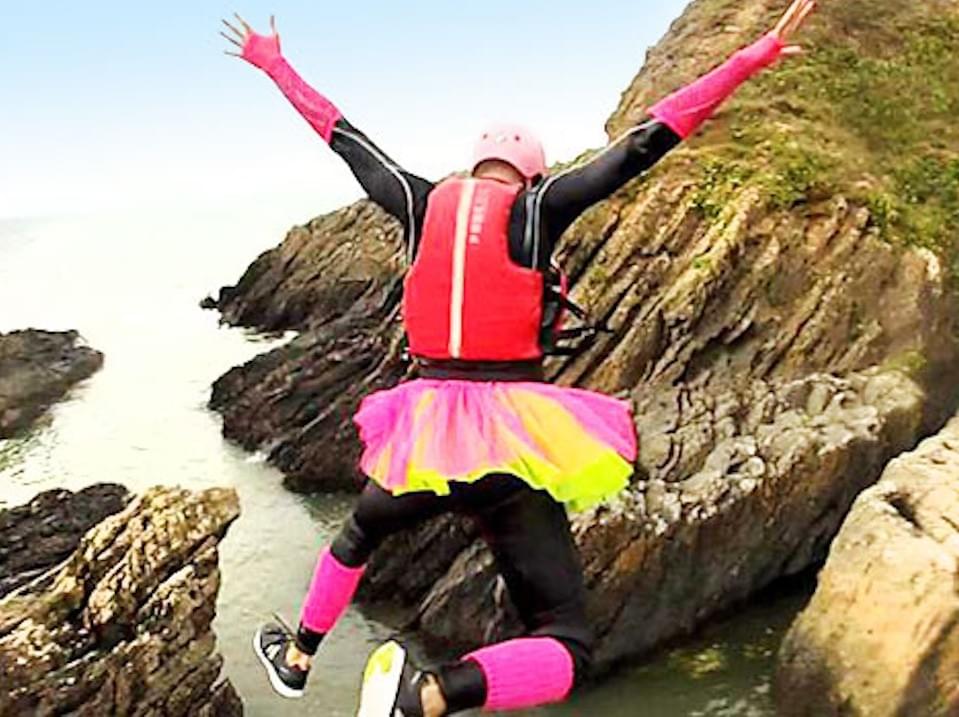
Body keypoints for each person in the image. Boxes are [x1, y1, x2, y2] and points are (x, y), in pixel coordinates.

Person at [222, 2, 816, 714]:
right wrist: (747, 60)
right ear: (530, 177)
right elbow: (648, 137)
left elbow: (342, 135)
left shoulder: (418, 201)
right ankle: (433, 693)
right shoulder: (539, 210)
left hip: (424, 433)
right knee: (565, 642)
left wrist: (273, 63)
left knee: (358, 531)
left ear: (474, 164)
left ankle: (298, 657)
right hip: (510, 438)